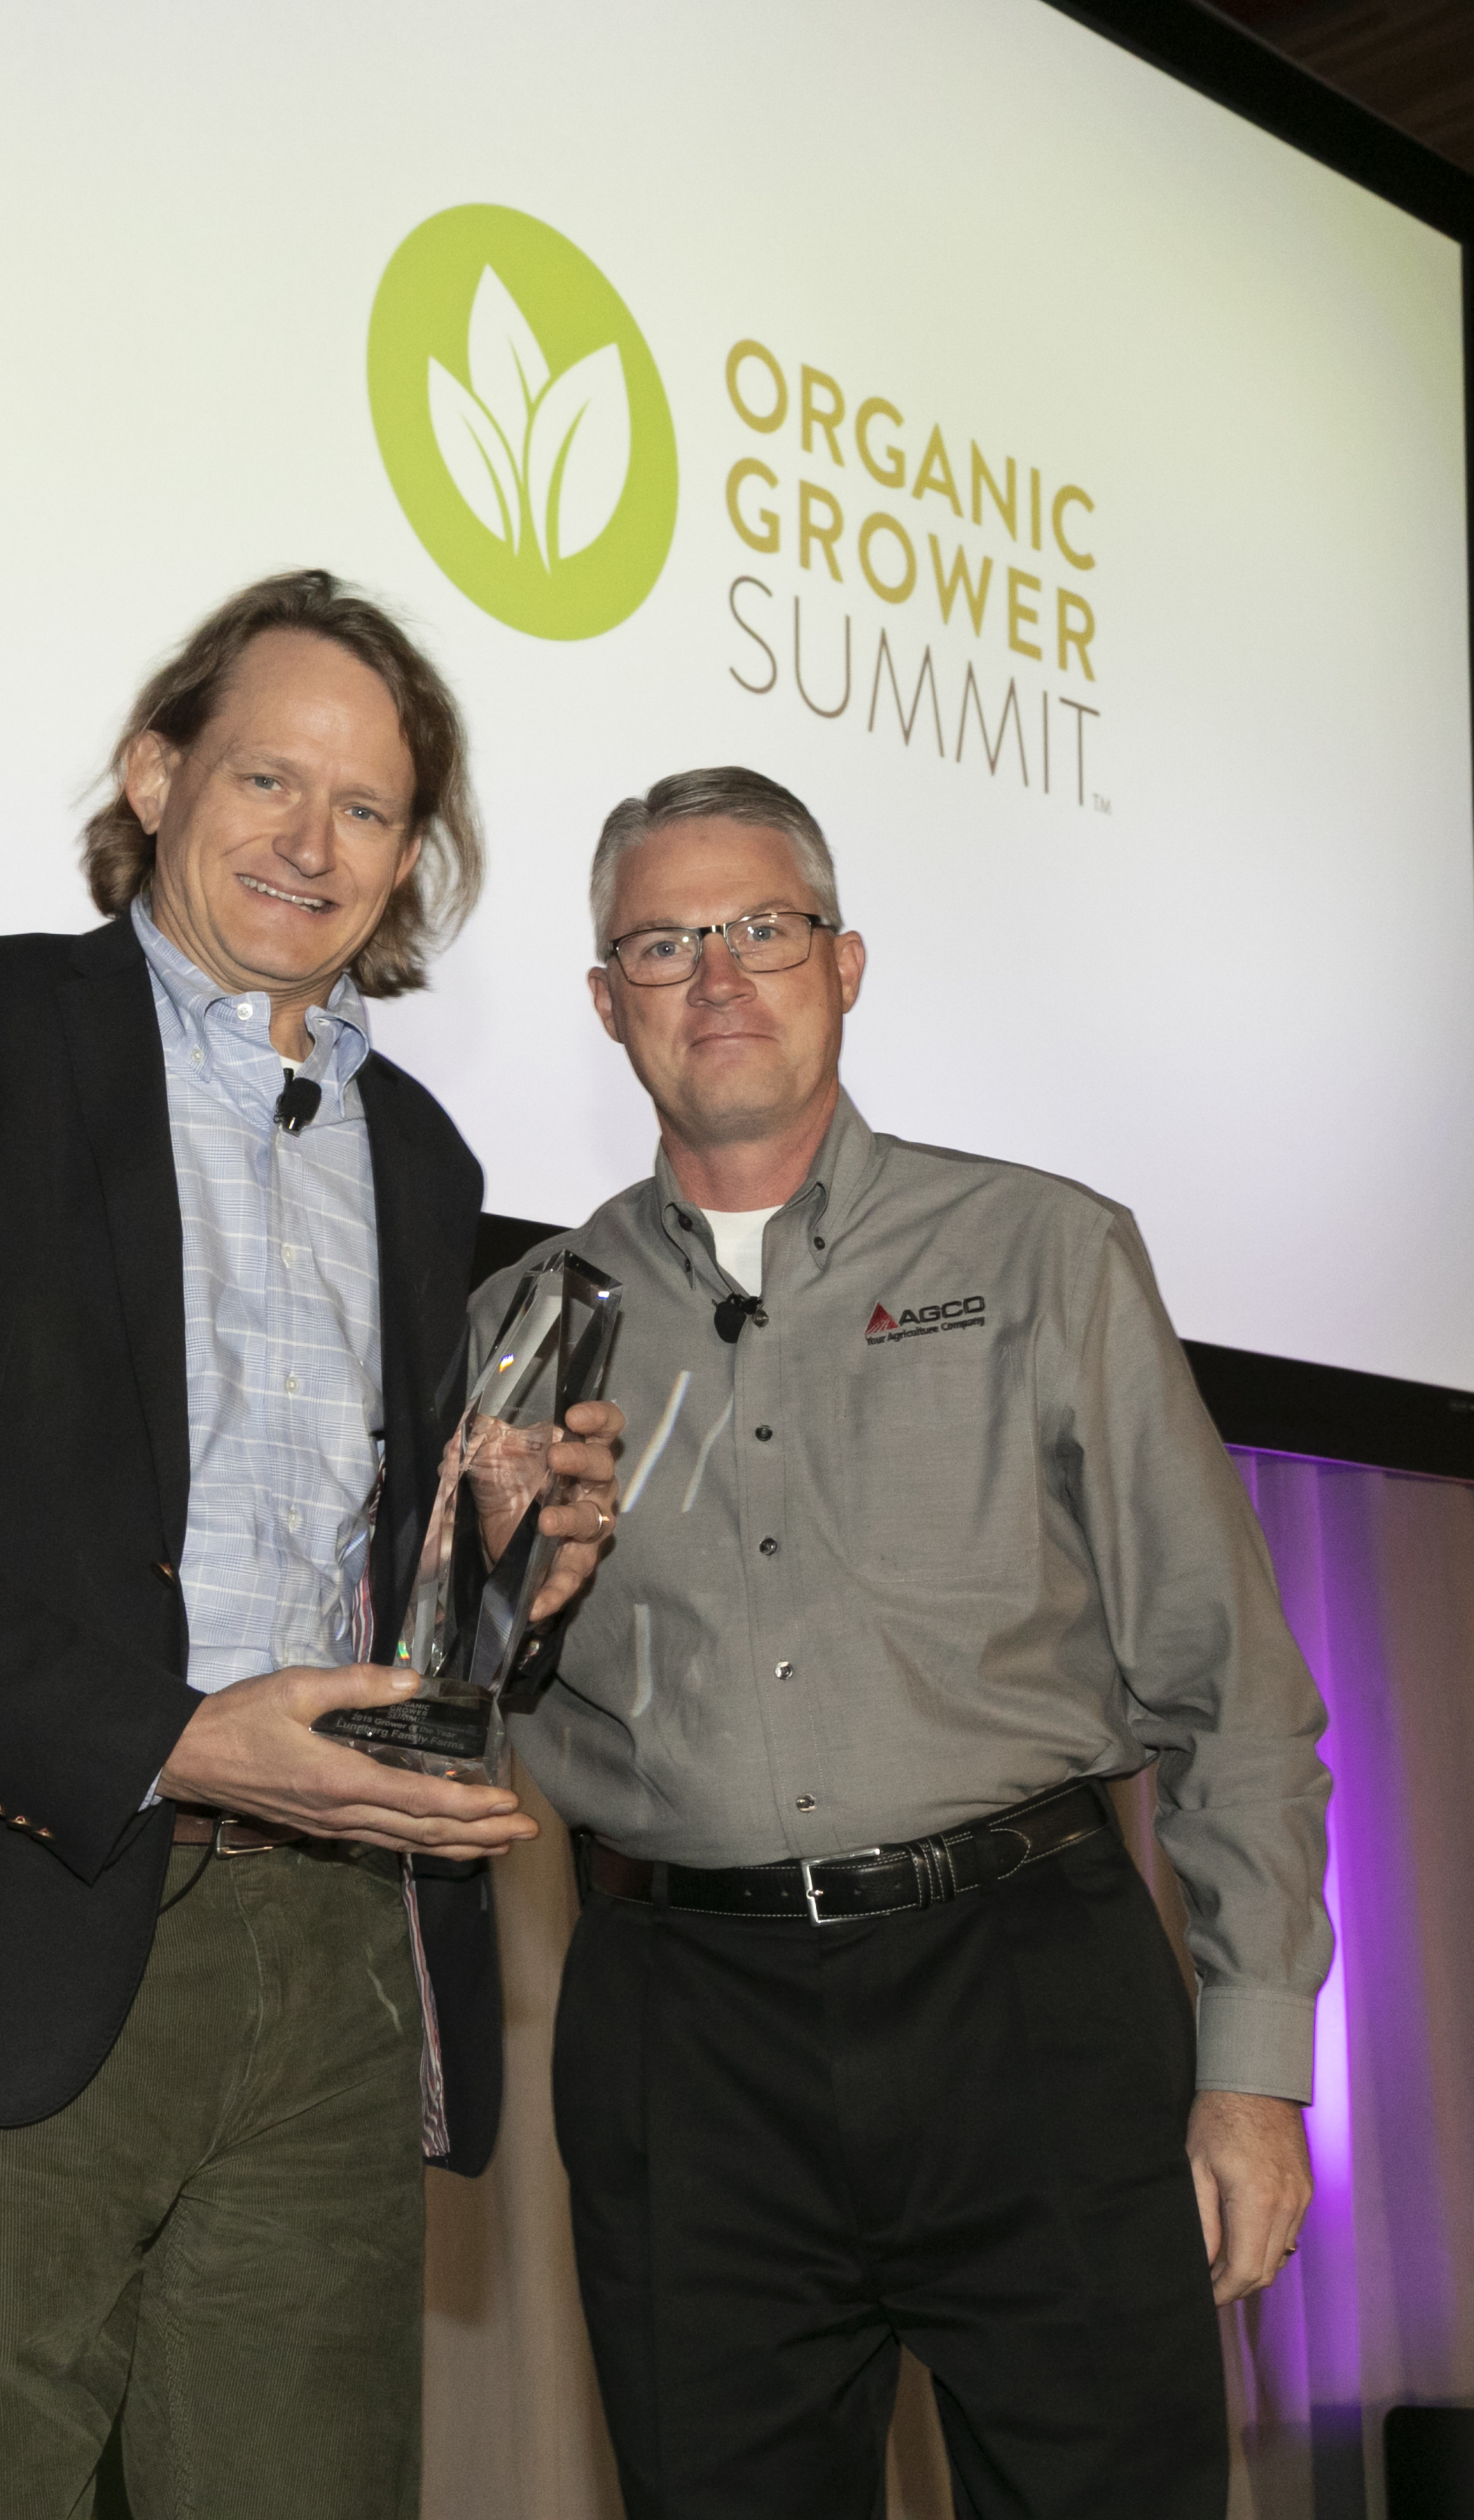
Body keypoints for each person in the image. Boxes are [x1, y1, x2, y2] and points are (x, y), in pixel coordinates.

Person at [0, 569, 621, 2520]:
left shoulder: (424, 1156)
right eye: (270, 778)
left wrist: (503, 1577)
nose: (313, 842)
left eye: (369, 810)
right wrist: (166, 1736)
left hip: (338, 1974)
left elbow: (391, 1604)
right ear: (155, 770)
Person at [475, 766, 1331, 2520]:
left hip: (1028, 1989)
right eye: (663, 942)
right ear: (603, 1001)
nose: (718, 977)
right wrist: (491, 1612)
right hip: (678, 2039)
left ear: (846, 962)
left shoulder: (1047, 1253)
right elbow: (461, 1714)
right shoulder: (520, 1326)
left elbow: (1231, 1691)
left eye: (763, 929)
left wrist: (1252, 2075)